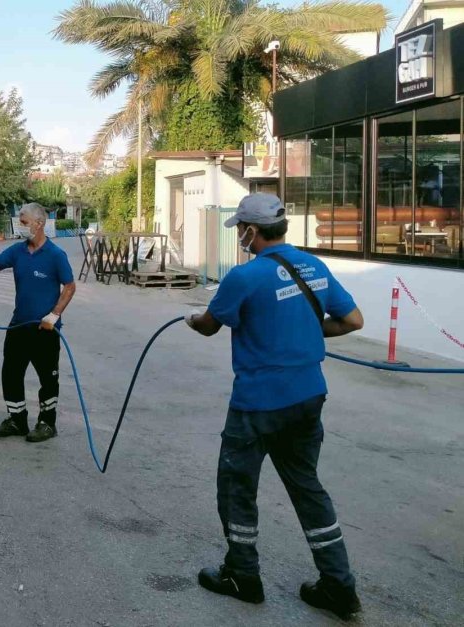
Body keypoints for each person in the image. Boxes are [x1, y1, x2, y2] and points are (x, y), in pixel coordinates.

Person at [185, 193, 365, 620]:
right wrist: (305, 332)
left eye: (241, 232)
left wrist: (193, 318)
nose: (241, 239)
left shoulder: (244, 277)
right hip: (308, 397)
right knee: (307, 488)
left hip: (258, 404)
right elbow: (353, 320)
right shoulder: (314, 266)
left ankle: (242, 575)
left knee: (236, 487)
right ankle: (339, 587)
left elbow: (210, 325)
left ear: (250, 231)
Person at [0, 202, 76, 443]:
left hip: (45, 329)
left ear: (39, 223)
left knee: (48, 377)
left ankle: (47, 423)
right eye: (19, 220)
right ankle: (17, 420)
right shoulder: (17, 251)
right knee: (11, 373)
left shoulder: (56, 255)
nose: (20, 225)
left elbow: (69, 286)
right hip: (18, 326)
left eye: (24, 221)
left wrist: (54, 315)